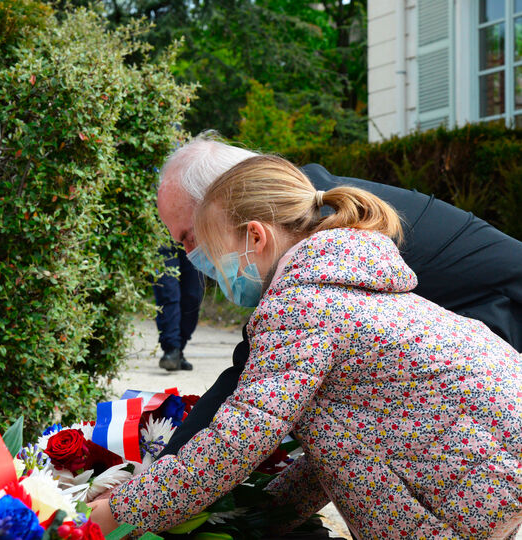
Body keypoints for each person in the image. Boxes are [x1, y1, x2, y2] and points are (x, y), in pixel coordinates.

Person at [90, 155, 522, 538]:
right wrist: (262, 519)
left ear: (254, 237)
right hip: (490, 474)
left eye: (212, 252)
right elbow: (338, 446)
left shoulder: (301, 305)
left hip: (471, 488)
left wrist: (118, 514)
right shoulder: (351, 278)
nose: (211, 273)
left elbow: (238, 438)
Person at [152, 133, 522, 458]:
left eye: (190, 236)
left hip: (505, 314)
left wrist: (148, 486)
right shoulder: (300, 206)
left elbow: (254, 391)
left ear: (225, 201)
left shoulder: (311, 231)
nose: (190, 255)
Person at [153, 244, 203, 371]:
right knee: (167, 293)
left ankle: (178, 349)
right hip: (162, 238)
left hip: (194, 238)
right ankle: (171, 349)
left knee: (193, 295)